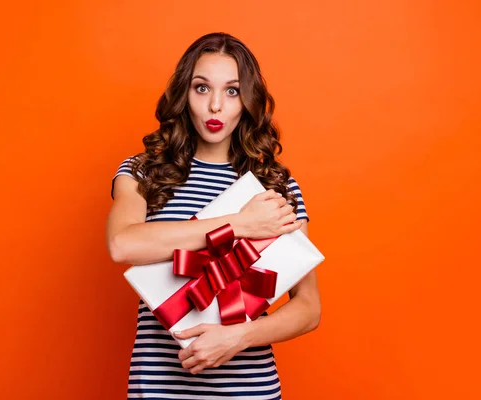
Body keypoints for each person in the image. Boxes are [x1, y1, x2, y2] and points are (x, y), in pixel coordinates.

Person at [107, 32, 321, 400]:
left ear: (248, 100)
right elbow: (122, 245)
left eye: (233, 91)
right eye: (202, 88)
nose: (216, 106)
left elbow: (309, 308)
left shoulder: (276, 185)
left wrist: (239, 337)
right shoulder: (144, 171)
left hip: (249, 389)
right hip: (160, 388)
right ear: (183, 95)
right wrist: (239, 224)